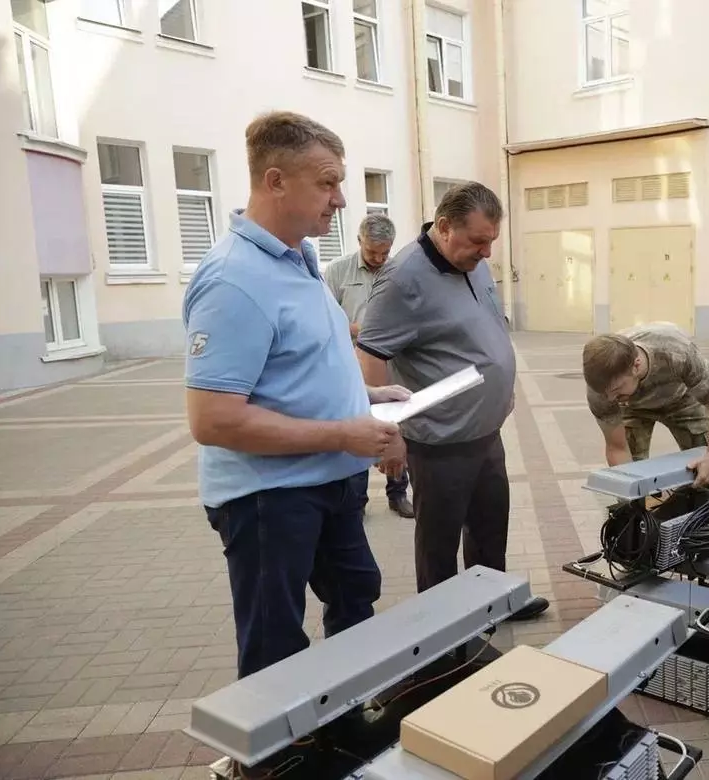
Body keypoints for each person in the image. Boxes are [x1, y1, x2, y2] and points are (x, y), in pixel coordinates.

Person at [182, 111, 411, 686]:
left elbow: (299, 368)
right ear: (276, 181)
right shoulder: (235, 280)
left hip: (329, 482)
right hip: (269, 498)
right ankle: (270, 762)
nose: (340, 201)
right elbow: (213, 420)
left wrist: (369, 393)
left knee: (356, 594)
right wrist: (345, 434)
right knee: (274, 639)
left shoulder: (299, 261)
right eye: (328, 182)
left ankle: (348, 721)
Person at [356, 181, 549, 621]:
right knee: (438, 543)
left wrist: (503, 383)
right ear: (444, 227)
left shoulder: (473, 262)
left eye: (492, 242)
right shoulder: (402, 279)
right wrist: (390, 434)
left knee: (489, 526)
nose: (487, 253)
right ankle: (443, 630)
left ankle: (493, 602)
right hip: (439, 439)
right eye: (479, 241)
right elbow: (371, 355)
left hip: (485, 430)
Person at [325, 213, 414, 519]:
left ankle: (398, 493)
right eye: (371, 251)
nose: (378, 258)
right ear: (359, 241)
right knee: (360, 427)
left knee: (393, 426)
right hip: (351, 365)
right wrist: (363, 331)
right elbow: (326, 319)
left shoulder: (400, 272)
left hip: (392, 363)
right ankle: (357, 500)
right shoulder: (337, 271)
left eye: (384, 252)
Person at [582, 323, 709, 489]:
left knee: (706, 464)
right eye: (606, 393)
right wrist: (633, 497)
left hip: (681, 400)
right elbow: (617, 447)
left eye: (616, 389)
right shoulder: (601, 388)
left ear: (636, 366)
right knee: (630, 475)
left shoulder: (677, 353)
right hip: (633, 408)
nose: (611, 398)